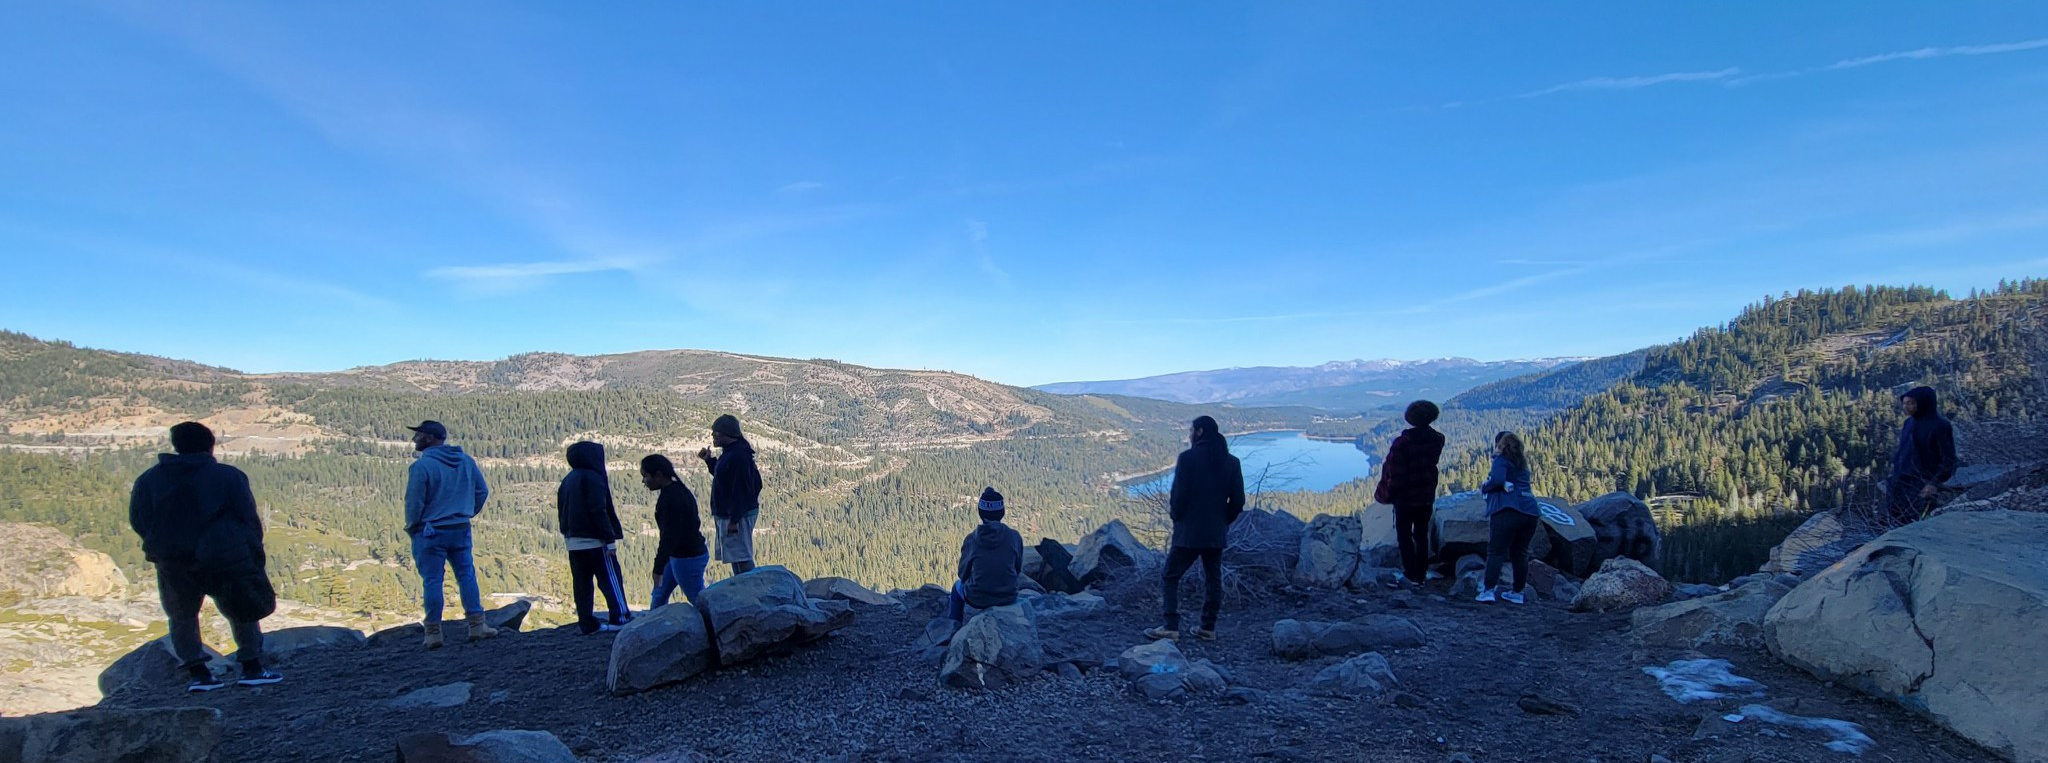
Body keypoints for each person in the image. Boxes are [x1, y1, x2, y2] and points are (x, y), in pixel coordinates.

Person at [128, 422, 282, 691]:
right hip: (223, 556)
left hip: (173, 559)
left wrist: (162, 547)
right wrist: (251, 552)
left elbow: (139, 520)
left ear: (176, 446)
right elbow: (248, 519)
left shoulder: (149, 480)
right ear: (210, 445)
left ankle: (199, 674)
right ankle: (252, 667)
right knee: (240, 608)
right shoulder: (229, 477)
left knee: (182, 615)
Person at [1146, 415, 1246, 641]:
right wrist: (1223, 521)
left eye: (1191, 430)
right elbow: (1238, 501)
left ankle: (1171, 626)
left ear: (1199, 432)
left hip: (1188, 533)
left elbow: (1178, 496)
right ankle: (1208, 628)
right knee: (1213, 578)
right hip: (1215, 533)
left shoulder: (1187, 459)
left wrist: (1177, 518)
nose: (1189, 434)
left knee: (1171, 575)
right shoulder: (1232, 462)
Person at [403, 420, 497, 649]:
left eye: (419, 435)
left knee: (433, 580)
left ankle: (433, 633)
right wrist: (467, 511)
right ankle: (477, 625)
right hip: (460, 527)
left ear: (430, 438)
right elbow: (482, 491)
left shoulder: (421, 467)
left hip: (430, 531)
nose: (415, 439)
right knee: (466, 575)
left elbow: (414, 501)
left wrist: (413, 525)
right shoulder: (466, 461)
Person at [559, 441, 633, 633]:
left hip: (573, 542)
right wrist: (609, 538)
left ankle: (586, 622)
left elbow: (562, 512)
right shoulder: (594, 478)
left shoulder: (567, 480)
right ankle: (620, 616)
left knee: (582, 584)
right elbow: (598, 510)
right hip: (595, 541)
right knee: (610, 578)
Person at [1375, 400, 1446, 584]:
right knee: (1421, 535)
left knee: (1404, 535)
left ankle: (1410, 573)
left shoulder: (1402, 443)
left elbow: (1396, 474)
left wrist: (1387, 493)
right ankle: (1421, 574)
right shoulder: (1438, 439)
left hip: (1405, 498)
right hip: (1426, 494)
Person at [1478, 431, 1539, 604]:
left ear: (1500, 445)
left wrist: (1486, 486)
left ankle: (1488, 590)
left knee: (1496, 551)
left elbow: (1497, 479)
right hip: (1530, 512)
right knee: (1520, 553)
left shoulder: (1501, 460)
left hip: (1507, 510)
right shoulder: (1522, 465)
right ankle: (1517, 592)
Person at [698, 414, 763, 576]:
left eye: (716, 433)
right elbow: (724, 478)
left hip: (736, 516)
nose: (713, 436)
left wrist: (734, 520)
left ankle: (748, 590)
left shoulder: (738, 456)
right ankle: (745, 588)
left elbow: (741, 490)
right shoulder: (733, 452)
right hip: (733, 514)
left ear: (727, 434)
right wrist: (709, 461)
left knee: (740, 556)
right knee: (735, 555)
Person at [1885, 386, 1958, 526]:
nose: (1906, 407)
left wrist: (1934, 483)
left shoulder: (1940, 426)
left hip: (1922, 482)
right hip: (1900, 480)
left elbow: (1948, 459)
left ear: (1924, 403)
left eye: (1911, 403)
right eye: (1904, 403)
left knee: (1917, 521)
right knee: (1896, 520)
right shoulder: (1909, 423)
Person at [643, 454, 709, 609]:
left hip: (686, 557)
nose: (644, 481)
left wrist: (658, 567)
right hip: (681, 554)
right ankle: (653, 626)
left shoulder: (671, 499)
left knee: (697, 598)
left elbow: (669, 537)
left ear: (658, 475)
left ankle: (715, 628)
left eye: (645, 476)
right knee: (659, 593)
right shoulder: (678, 490)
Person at [949, 487, 1023, 622]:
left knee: (957, 588)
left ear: (980, 513)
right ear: (1002, 513)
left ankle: (953, 627)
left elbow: (962, 574)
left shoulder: (971, 540)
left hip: (977, 598)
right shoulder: (1014, 537)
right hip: (1008, 596)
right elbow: (1017, 568)